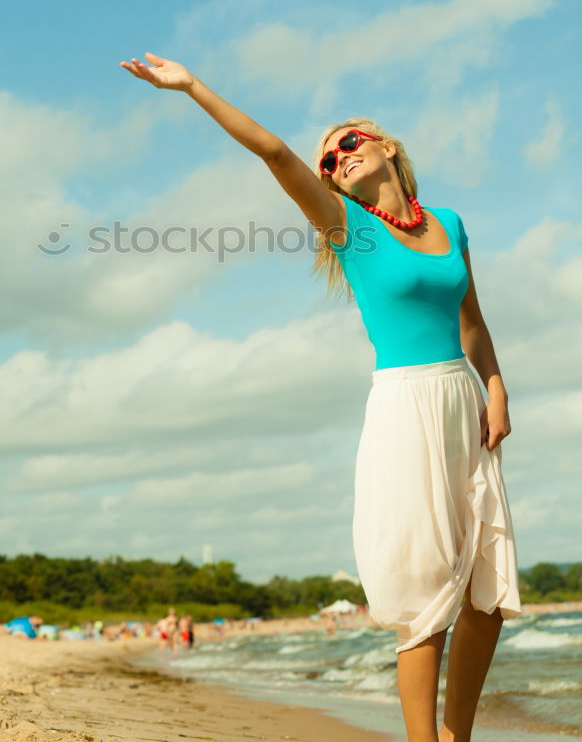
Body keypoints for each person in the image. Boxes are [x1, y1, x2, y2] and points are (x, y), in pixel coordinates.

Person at [119, 52, 521, 742]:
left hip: (463, 403)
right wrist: (191, 88)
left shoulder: (450, 225)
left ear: (387, 146)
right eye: (329, 161)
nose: (335, 160)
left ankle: (459, 735)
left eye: (347, 144)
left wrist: (496, 386)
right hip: (406, 410)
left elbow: (472, 323)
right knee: (425, 599)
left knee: (486, 596)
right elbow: (274, 152)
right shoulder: (347, 227)